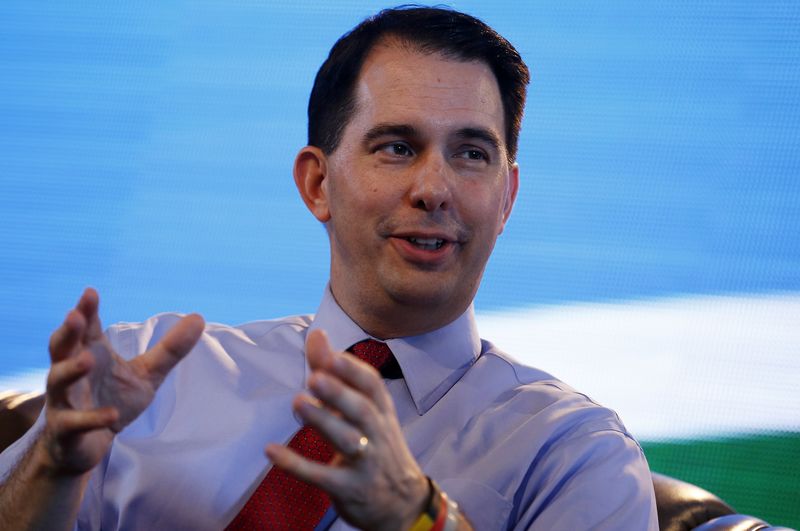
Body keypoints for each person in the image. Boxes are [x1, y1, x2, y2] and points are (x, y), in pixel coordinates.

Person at [0, 6, 658, 530]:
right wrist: (54, 465)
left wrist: (419, 517)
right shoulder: (152, 376)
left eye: (472, 153)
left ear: (507, 197)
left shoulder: (573, 453)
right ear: (317, 183)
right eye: (397, 147)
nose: (436, 187)